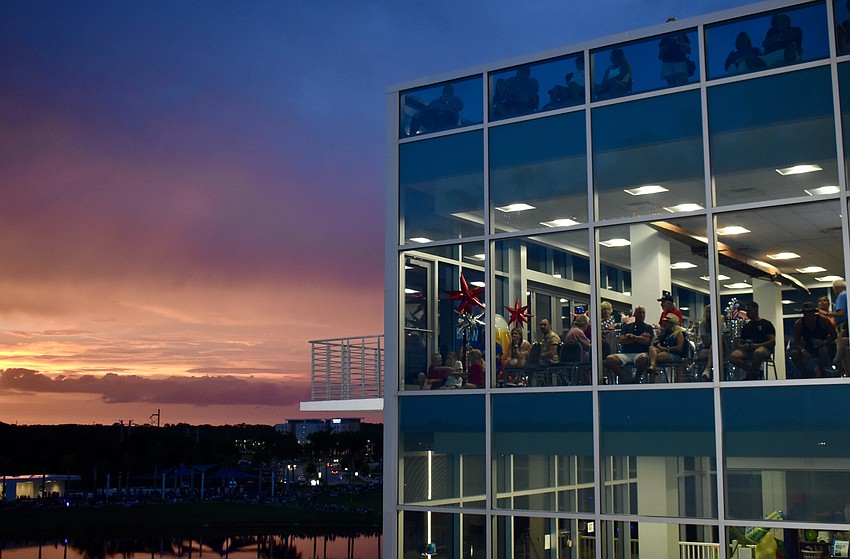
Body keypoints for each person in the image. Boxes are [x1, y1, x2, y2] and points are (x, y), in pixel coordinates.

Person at [604, 306, 653, 384]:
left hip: (640, 353)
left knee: (643, 359)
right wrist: (639, 338)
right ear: (634, 314)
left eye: (643, 313)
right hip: (626, 353)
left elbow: (646, 341)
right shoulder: (626, 327)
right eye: (639, 313)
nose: (642, 315)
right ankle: (623, 378)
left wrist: (632, 337)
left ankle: (637, 378)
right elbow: (622, 341)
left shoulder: (648, 328)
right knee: (609, 359)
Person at [729, 301, 775, 380]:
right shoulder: (746, 326)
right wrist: (744, 346)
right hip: (748, 349)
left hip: (763, 348)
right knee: (733, 357)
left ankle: (751, 374)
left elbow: (772, 341)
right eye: (746, 311)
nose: (747, 313)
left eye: (749, 310)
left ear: (756, 310)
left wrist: (757, 345)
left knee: (758, 352)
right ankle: (753, 371)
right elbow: (740, 342)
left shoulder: (766, 324)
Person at [789, 302, 836, 378]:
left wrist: (825, 342)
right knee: (794, 353)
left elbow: (834, 334)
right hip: (808, 346)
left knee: (823, 350)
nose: (808, 315)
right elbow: (796, 341)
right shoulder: (799, 324)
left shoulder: (823, 321)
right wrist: (803, 350)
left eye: (810, 312)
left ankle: (824, 370)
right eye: (806, 313)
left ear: (814, 312)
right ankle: (805, 374)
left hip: (823, 345)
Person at [647, 314, 687, 381]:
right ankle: (653, 366)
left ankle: (653, 376)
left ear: (672, 323)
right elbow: (655, 342)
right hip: (664, 351)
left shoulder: (679, 333)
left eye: (667, 322)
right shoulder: (665, 332)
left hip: (675, 354)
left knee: (655, 357)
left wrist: (666, 349)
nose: (665, 323)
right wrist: (660, 335)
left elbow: (679, 347)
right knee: (651, 349)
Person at [697, 305, 723, 381]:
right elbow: (706, 342)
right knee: (713, 349)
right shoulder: (702, 324)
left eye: (710, 312)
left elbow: (722, 341)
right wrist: (718, 337)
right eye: (707, 312)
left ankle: (708, 370)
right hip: (705, 348)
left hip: (719, 348)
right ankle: (709, 373)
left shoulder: (721, 325)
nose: (709, 314)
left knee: (714, 348)